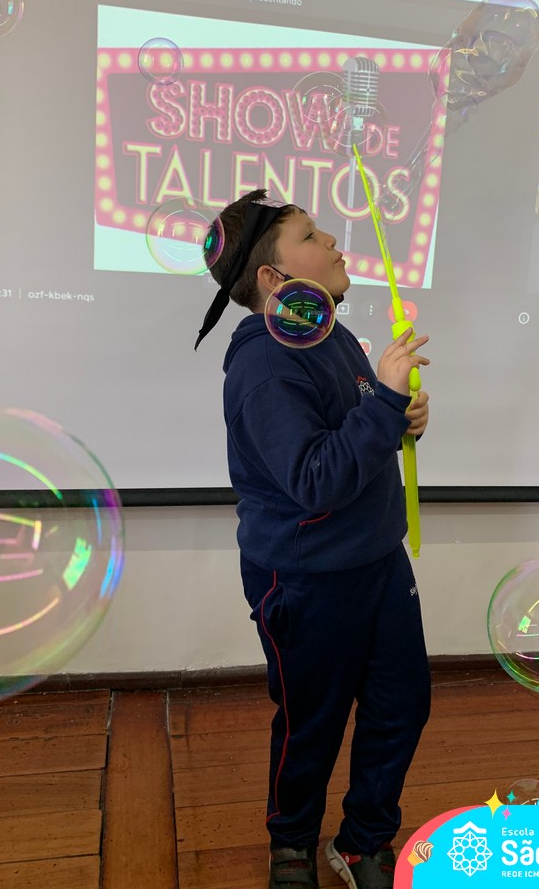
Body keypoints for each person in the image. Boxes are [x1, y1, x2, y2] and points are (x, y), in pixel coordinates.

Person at [195, 190, 432, 889]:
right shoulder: (265, 363)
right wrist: (384, 405)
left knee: (400, 705)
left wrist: (397, 414)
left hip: (378, 560)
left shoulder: (331, 336)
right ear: (274, 277)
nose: (331, 241)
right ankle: (291, 843)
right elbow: (315, 479)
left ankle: (363, 843)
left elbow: (355, 435)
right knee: (312, 721)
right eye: (310, 235)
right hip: (305, 577)